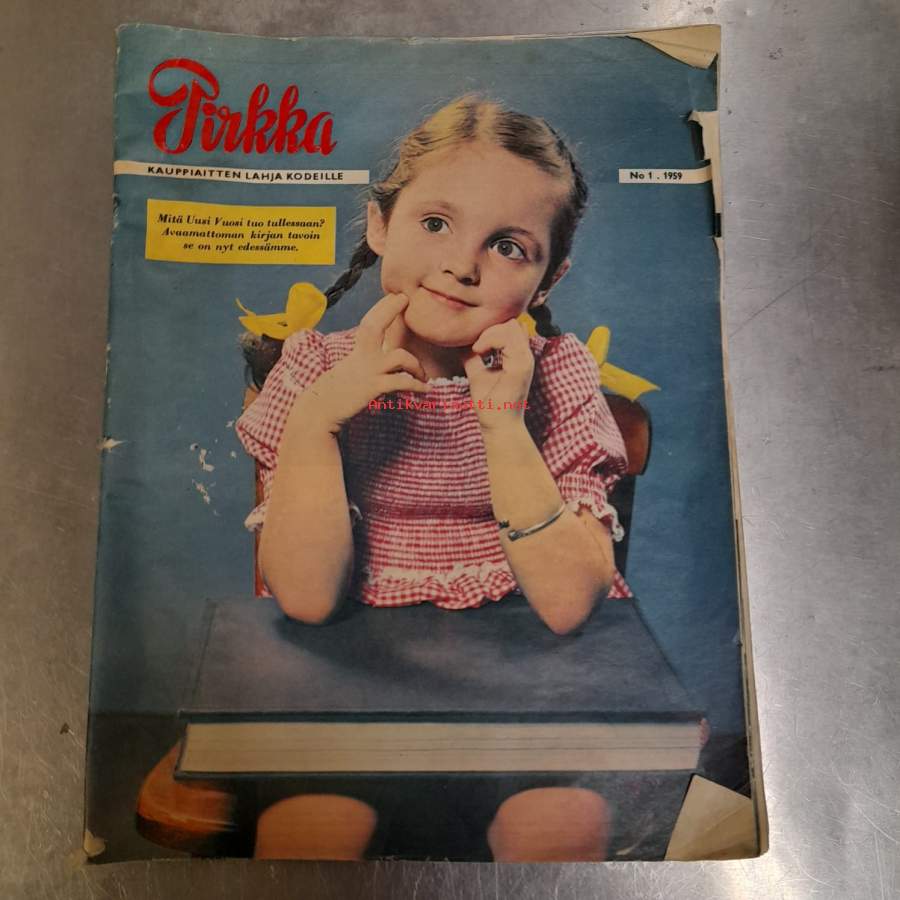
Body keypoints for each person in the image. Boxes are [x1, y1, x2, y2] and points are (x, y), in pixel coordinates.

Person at [233, 92, 632, 862]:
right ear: (380, 225)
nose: (461, 264)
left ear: (548, 279)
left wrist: (503, 422)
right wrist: (317, 425)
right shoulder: (312, 369)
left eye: (508, 246)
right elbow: (307, 599)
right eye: (437, 224)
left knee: (562, 828)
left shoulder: (561, 374)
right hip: (345, 683)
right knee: (310, 835)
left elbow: (566, 606)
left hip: (528, 690)